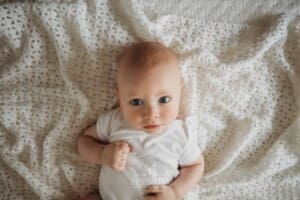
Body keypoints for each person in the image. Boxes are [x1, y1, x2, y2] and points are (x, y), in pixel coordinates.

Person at [77, 41, 205, 200]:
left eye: (164, 99)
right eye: (136, 102)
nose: (151, 113)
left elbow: (195, 166)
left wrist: (175, 192)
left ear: (179, 91)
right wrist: (102, 154)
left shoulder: (181, 131)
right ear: (121, 98)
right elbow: (84, 141)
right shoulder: (115, 121)